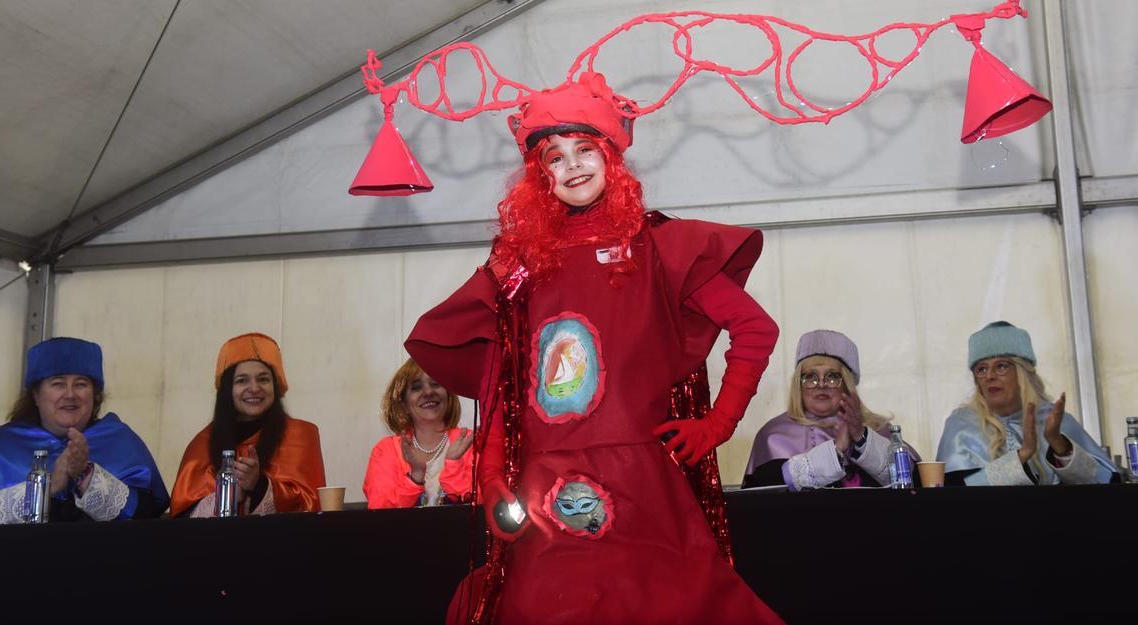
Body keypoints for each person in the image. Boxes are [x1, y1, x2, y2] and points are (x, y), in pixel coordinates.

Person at [406, 72, 784, 624]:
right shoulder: (519, 267)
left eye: (584, 149)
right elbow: (502, 383)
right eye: (554, 158)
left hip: (642, 482)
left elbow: (756, 329)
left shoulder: (661, 247)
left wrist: (718, 424)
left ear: (611, 156)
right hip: (544, 488)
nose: (572, 166)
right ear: (540, 176)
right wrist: (490, 479)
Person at [0, 337, 169, 525]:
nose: (70, 394)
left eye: (81, 384)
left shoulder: (121, 441)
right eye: (58, 384)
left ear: (95, 395)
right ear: (36, 395)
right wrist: (46, 488)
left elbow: (149, 517)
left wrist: (86, 477)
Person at [936, 321, 1116, 485]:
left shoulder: (1054, 420)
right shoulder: (961, 425)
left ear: (1022, 371)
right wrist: (1023, 455)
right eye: (981, 369)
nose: (989, 376)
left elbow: (1108, 482)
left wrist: (1058, 444)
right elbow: (954, 494)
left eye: (1001, 366)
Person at [170, 333, 326, 516]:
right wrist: (231, 495)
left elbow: (312, 506)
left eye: (263, 379)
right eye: (242, 380)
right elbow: (183, 518)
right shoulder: (202, 443)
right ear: (227, 390)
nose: (254, 388)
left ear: (275, 386)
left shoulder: (301, 434)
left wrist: (258, 485)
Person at [742, 329, 919, 490]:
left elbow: (911, 484)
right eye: (810, 377)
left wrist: (861, 436)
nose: (821, 385)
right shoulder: (774, 435)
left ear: (847, 385)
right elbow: (762, 500)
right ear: (799, 385)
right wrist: (837, 448)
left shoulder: (880, 431)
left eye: (832, 377)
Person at [363, 358, 475, 508]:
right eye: (416, 387)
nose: (428, 392)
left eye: (436, 383)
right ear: (404, 404)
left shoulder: (471, 442)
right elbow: (380, 517)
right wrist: (415, 476)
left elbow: (485, 506)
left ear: (448, 395)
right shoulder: (386, 450)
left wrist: (454, 464)